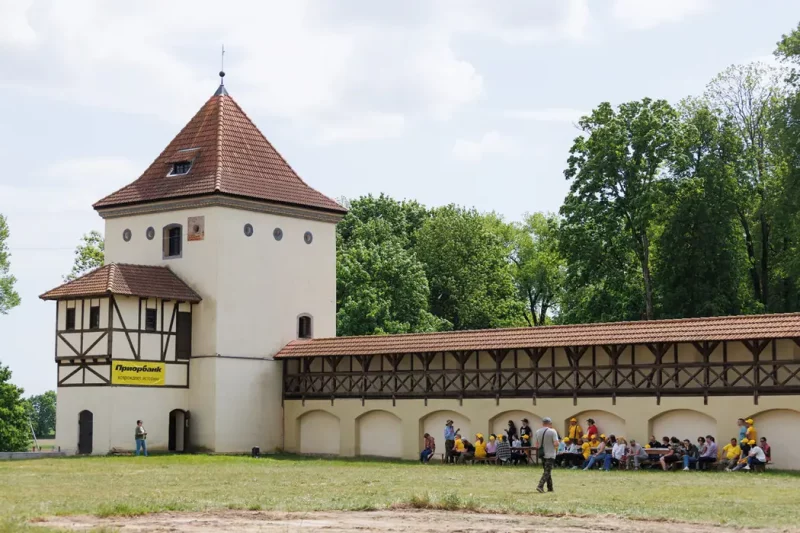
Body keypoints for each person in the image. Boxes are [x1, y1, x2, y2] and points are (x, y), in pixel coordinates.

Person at [534, 417, 559, 493]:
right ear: (550, 423)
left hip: (542, 453)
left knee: (547, 470)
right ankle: (540, 486)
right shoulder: (552, 431)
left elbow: (537, 445)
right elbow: (556, 443)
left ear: (543, 423)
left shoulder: (538, 431)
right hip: (550, 454)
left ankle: (550, 488)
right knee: (547, 471)